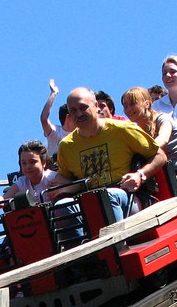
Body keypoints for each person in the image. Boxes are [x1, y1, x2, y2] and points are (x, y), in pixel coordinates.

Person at [50, 87, 167, 222]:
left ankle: (115, 242)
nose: (79, 114)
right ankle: (84, 242)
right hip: (90, 202)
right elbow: (64, 177)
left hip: (126, 198)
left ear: (96, 107)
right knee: (61, 206)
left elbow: (160, 156)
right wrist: (61, 187)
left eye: (83, 107)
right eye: (73, 110)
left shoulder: (123, 129)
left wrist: (140, 174)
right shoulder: (66, 146)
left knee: (107, 196)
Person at [122, 86, 177, 192]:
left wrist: (144, 151)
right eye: (125, 106)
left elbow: (163, 139)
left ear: (147, 104)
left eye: (133, 104)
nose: (128, 109)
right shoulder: (136, 131)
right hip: (158, 177)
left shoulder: (163, 119)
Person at [0, 140, 57, 207]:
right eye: (24, 163)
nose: (28, 166)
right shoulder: (22, 182)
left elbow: (66, 186)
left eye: (32, 162)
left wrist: (60, 189)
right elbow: (5, 198)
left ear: (43, 163)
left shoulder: (51, 177)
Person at [39, 79, 74, 160]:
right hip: (54, 170)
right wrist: (53, 93)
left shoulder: (81, 133)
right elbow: (44, 119)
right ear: (68, 117)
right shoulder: (56, 133)